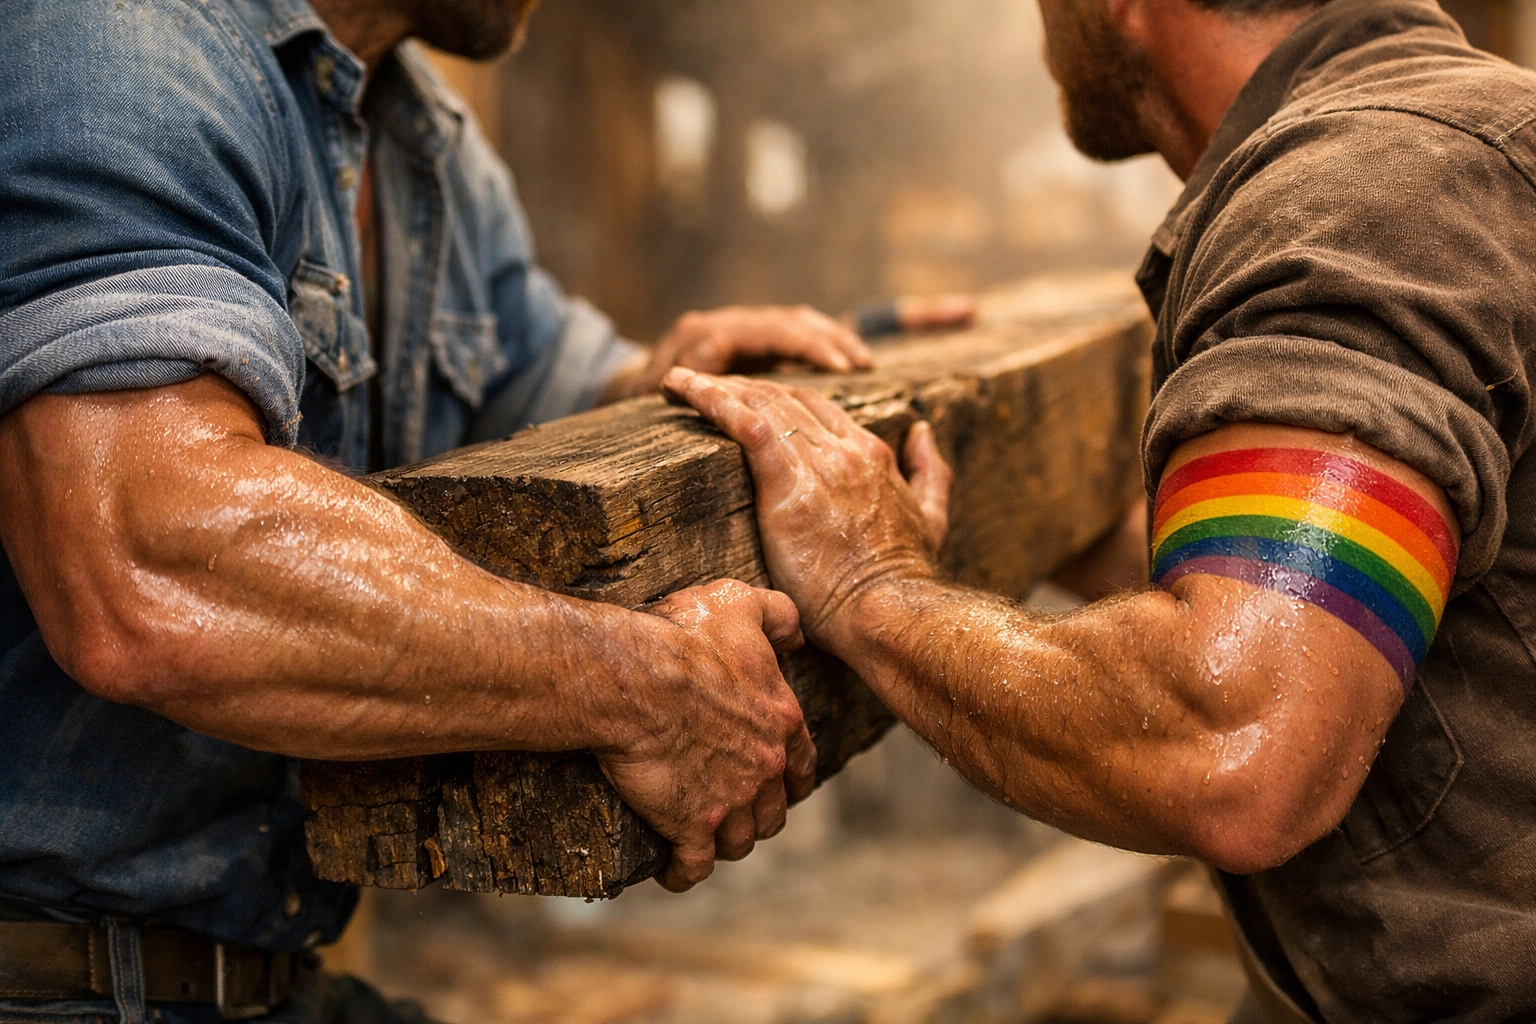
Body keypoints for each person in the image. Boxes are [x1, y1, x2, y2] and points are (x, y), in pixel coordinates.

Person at [0, 0, 971, 1019]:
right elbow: (147, 562)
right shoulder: (118, 44)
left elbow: (544, 389)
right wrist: (643, 685)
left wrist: (683, 387)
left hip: (256, 974)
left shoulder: (424, 142)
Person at [666, 0, 1536, 1019]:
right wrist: (1020, 525)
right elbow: (1355, 609)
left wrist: (874, 587)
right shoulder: (1459, 133)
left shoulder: (1366, 190)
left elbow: (1238, 737)